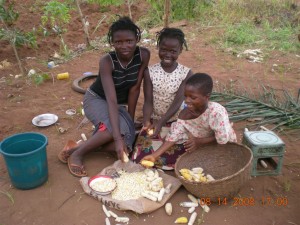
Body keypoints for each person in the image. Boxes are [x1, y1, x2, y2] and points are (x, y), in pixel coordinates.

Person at [58, 16, 150, 177]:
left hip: (118, 107)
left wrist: (128, 121)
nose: (124, 46)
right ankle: (77, 155)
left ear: (137, 39)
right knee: (112, 133)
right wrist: (118, 137)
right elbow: (111, 99)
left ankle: (76, 147)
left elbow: (135, 89)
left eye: (129, 41)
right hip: (97, 99)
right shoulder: (107, 61)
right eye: (118, 42)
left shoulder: (143, 55)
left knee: (126, 146)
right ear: (112, 43)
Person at [141, 73, 237, 168]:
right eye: (185, 96)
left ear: (207, 97)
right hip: (198, 141)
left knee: (213, 167)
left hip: (220, 145)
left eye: (193, 97)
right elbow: (173, 136)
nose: (187, 101)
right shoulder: (185, 114)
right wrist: (154, 156)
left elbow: (223, 140)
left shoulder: (216, 113)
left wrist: (200, 142)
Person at [132, 27, 193, 169]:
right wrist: (147, 121)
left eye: (173, 51)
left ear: (180, 51)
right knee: (139, 156)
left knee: (181, 153)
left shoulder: (186, 74)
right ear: (158, 47)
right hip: (154, 119)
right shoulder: (150, 72)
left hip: (175, 121)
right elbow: (148, 101)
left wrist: (162, 123)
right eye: (164, 50)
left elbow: (178, 102)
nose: (168, 54)